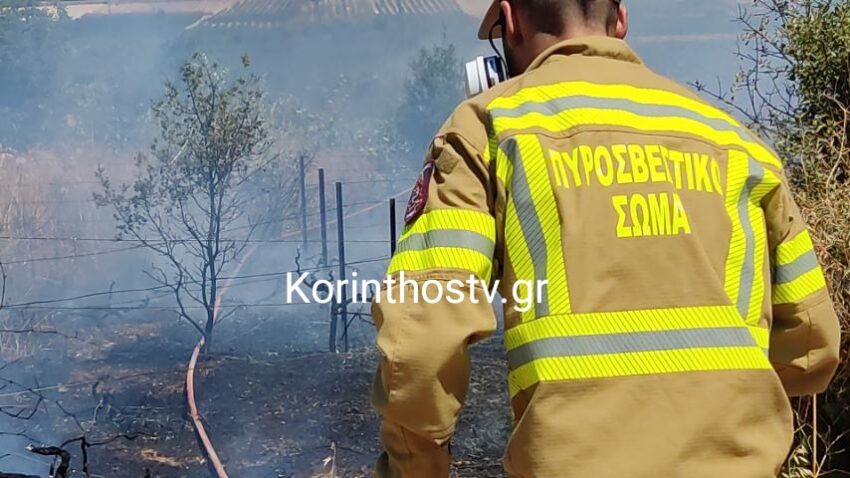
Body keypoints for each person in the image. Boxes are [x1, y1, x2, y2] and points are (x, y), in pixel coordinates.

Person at [370, 1, 842, 476]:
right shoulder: (736, 141)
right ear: (621, 20)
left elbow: (424, 336)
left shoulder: (489, 127)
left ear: (510, 22)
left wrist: (415, 465)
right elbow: (814, 346)